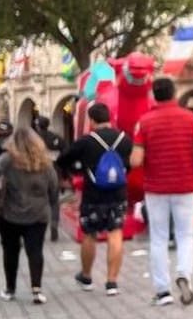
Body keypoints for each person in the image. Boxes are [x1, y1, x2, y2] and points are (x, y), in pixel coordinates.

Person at [130, 77, 193, 307]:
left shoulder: (144, 122)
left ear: (154, 95)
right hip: (186, 186)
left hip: (156, 188)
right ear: (174, 94)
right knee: (186, 235)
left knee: (158, 238)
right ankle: (184, 274)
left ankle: (162, 291)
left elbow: (136, 160)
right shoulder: (191, 119)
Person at [56, 102, 134, 297]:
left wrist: (77, 170)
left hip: (93, 195)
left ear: (91, 120)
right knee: (115, 233)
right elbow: (131, 163)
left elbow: (62, 160)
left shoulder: (86, 141)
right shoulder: (124, 139)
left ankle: (87, 276)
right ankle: (112, 282)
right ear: (110, 117)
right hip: (118, 193)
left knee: (89, 234)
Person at [0, 126, 59, 304]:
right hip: (38, 213)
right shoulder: (45, 162)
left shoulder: (6, 160)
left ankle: (10, 289)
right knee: (35, 251)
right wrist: (53, 212)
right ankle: (37, 290)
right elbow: (54, 188)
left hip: (8, 213)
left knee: (10, 250)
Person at [33, 116, 68, 241]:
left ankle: (38, 229)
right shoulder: (57, 138)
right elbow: (65, 157)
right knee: (54, 202)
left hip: (37, 174)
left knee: (37, 202)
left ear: (37, 125)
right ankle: (54, 224)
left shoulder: (33, 140)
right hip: (55, 173)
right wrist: (65, 176)